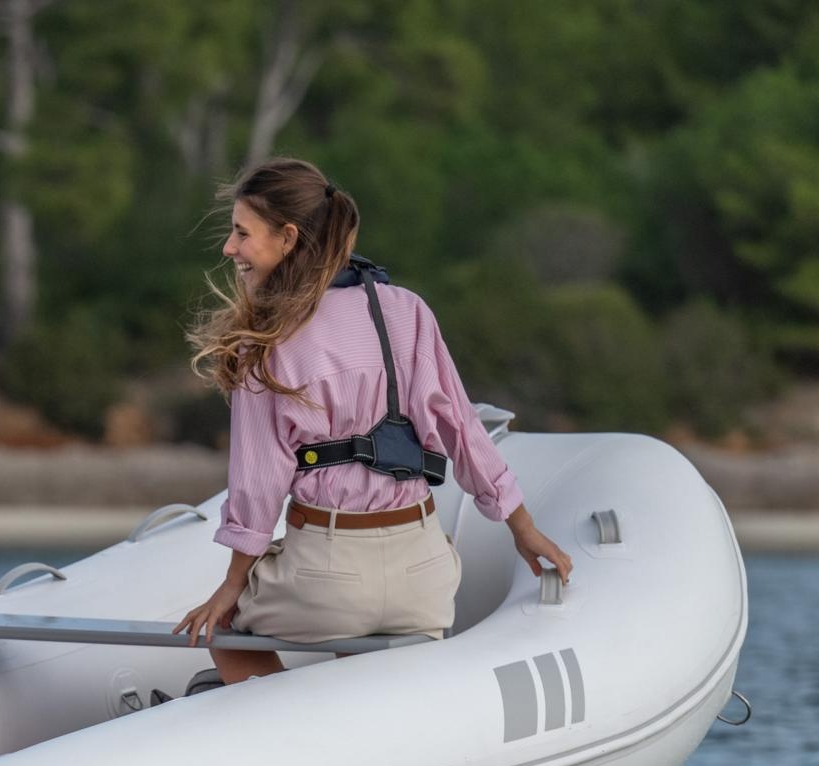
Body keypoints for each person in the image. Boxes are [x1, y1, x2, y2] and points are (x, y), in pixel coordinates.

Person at [174, 157, 572, 685]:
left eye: (241, 234)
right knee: (363, 637)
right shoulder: (407, 310)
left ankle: (288, 734)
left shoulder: (265, 342)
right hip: (423, 578)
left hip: (326, 577)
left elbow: (257, 485)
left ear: (288, 237)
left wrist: (230, 587)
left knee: (227, 629)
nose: (230, 248)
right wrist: (523, 530)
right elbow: (464, 431)